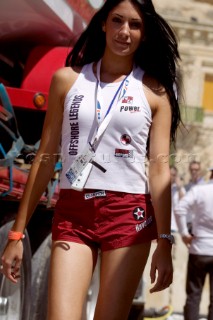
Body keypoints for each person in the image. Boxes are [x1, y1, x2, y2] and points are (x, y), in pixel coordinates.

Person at [0, 1, 182, 319]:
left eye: (135, 25)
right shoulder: (66, 80)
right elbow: (45, 157)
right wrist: (17, 233)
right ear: (102, 24)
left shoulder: (155, 91)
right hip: (74, 211)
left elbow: (159, 168)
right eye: (117, 21)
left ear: (145, 33)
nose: (124, 32)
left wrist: (164, 243)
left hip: (129, 214)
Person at [175, 177, 213, 320]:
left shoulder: (199, 190)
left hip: (199, 248)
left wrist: (184, 234)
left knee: (193, 295)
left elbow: (179, 209)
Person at [170, 165, 185, 233]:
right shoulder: (161, 188)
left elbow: (183, 202)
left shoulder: (179, 189)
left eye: (173, 175)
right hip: (163, 227)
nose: (171, 176)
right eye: (170, 174)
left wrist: (179, 187)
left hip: (175, 228)